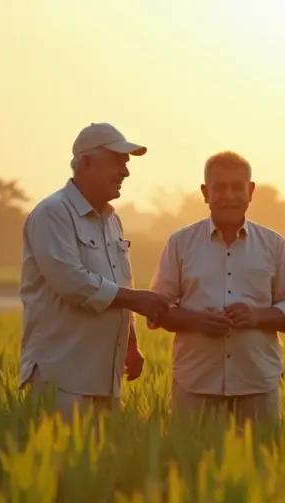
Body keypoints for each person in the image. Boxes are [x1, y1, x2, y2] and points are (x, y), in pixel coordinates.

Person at [19, 122, 171, 420]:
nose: (125, 172)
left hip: (105, 378)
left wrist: (130, 342)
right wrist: (135, 300)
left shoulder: (112, 221)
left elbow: (119, 280)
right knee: (61, 464)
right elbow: (72, 283)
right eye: (117, 162)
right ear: (86, 163)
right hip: (61, 379)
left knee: (101, 464)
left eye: (126, 164)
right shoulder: (53, 213)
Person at [148, 151, 285, 425]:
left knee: (262, 463)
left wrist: (256, 316)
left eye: (237, 187)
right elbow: (157, 309)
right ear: (205, 192)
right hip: (195, 383)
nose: (229, 195)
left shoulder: (273, 244)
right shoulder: (180, 243)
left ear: (251, 191)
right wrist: (198, 321)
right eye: (219, 187)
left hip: (257, 382)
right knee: (191, 464)